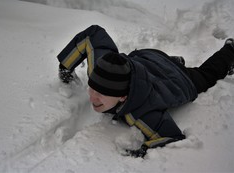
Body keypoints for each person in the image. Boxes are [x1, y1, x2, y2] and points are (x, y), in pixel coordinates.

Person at [57, 25, 234, 158]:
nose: (92, 96)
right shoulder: (101, 67)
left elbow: (172, 137)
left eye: (101, 94)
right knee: (160, 64)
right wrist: (65, 67)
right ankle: (174, 61)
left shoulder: (142, 111)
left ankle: (230, 49)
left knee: (208, 74)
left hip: (180, 79)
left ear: (122, 97)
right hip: (150, 58)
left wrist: (143, 151)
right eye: (92, 87)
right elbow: (93, 34)